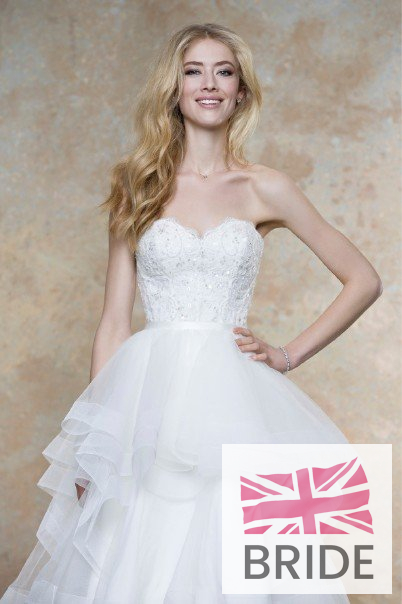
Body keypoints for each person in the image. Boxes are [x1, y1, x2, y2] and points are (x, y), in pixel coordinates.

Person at [1, 22, 382, 604]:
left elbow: (364, 279)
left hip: (238, 400)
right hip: (149, 400)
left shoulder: (266, 187)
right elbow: (114, 322)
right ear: (173, 89)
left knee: (244, 553)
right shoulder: (138, 184)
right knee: (138, 552)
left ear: (241, 92)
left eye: (223, 72)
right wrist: (98, 441)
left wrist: (286, 355)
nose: (209, 84)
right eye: (193, 71)